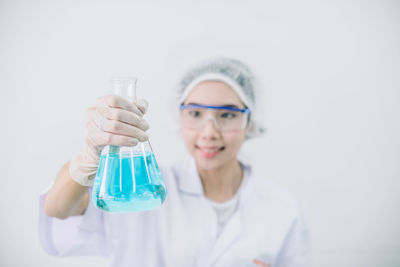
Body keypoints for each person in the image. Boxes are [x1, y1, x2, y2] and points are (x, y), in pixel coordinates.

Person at [39, 57, 310, 267]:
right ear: (178, 117)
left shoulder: (281, 209)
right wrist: (87, 160)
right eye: (195, 113)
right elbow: (57, 209)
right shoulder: (142, 189)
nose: (209, 132)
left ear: (249, 121)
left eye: (227, 115)